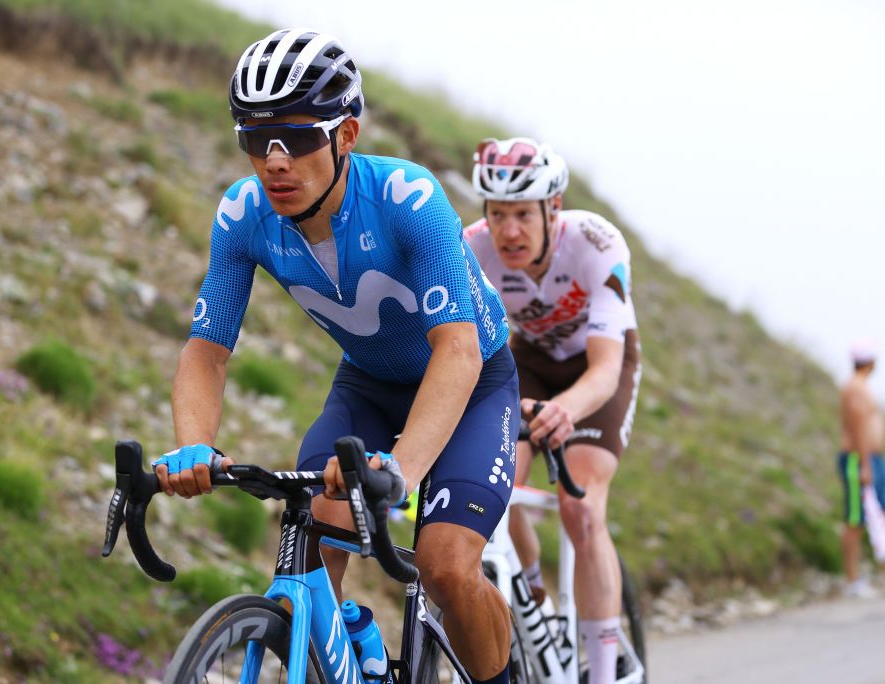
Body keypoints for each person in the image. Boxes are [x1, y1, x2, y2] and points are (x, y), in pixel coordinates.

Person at [151, 29, 518, 684]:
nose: (274, 161)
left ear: (345, 135)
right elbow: (206, 351)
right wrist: (193, 445)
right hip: (371, 385)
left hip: (472, 381)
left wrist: (400, 470)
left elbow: (458, 350)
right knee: (316, 522)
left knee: (444, 565)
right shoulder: (242, 217)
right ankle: (353, 647)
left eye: (294, 137)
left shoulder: (409, 198)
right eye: (254, 139)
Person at [464, 137, 641, 684]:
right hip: (527, 361)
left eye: (521, 215)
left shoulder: (596, 243)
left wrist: (564, 411)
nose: (509, 231)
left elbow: (606, 369)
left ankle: (606, 670)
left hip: (597, 366)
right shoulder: (471, 248)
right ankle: (532, 590)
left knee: (581, 508)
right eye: (498, 214)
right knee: (491, 488)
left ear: (552, 209)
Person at [838, 338, 885, 598]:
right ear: (870, 362)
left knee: (881, 513)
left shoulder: (862, 387)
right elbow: (858, 427)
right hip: (860, 460)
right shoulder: (856, 388)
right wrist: (865, 464)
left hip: (872, 459)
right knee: (856, 519)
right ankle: (852, 581)